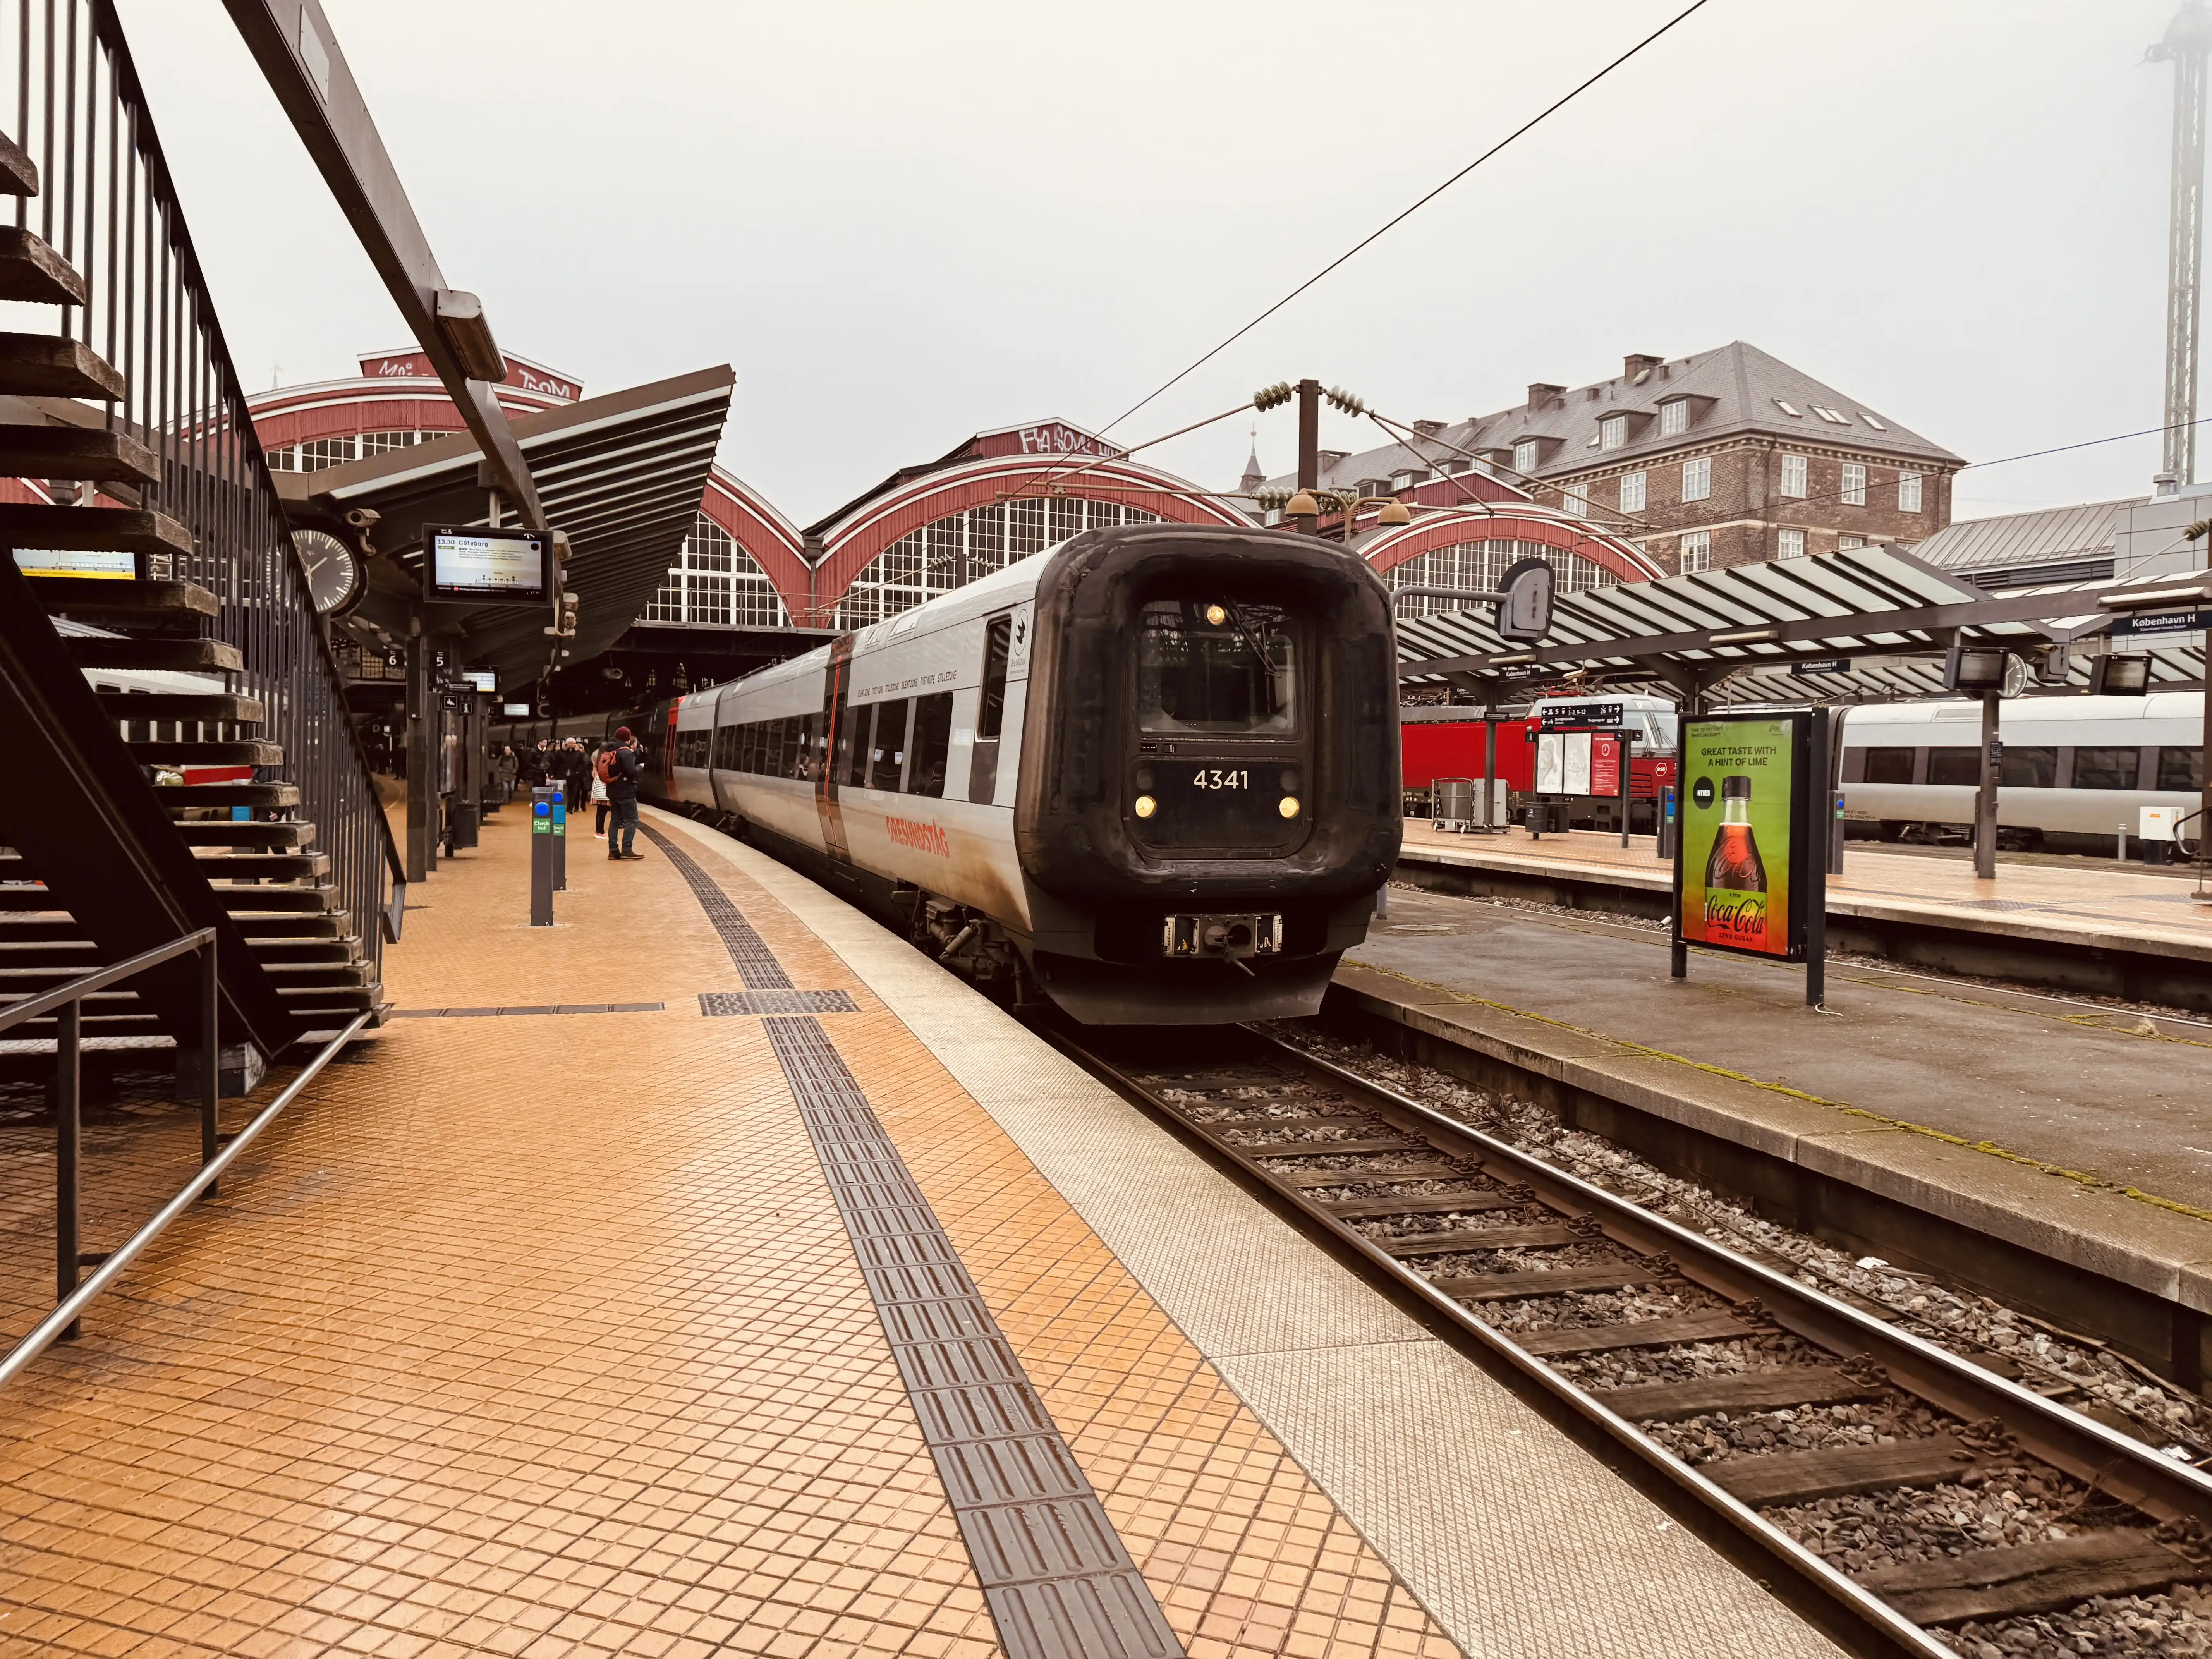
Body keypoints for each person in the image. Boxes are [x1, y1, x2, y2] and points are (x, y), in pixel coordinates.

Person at [605, 728, 645, 860]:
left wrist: (641, 753)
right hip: (626, 791)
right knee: (632, 820)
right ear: (627, 738)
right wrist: (640, 768)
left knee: (615, 820)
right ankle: (627, 849)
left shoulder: (610, 750)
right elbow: (631, 772)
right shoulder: (625, 752)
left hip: (613, 790)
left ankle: (613, 851)